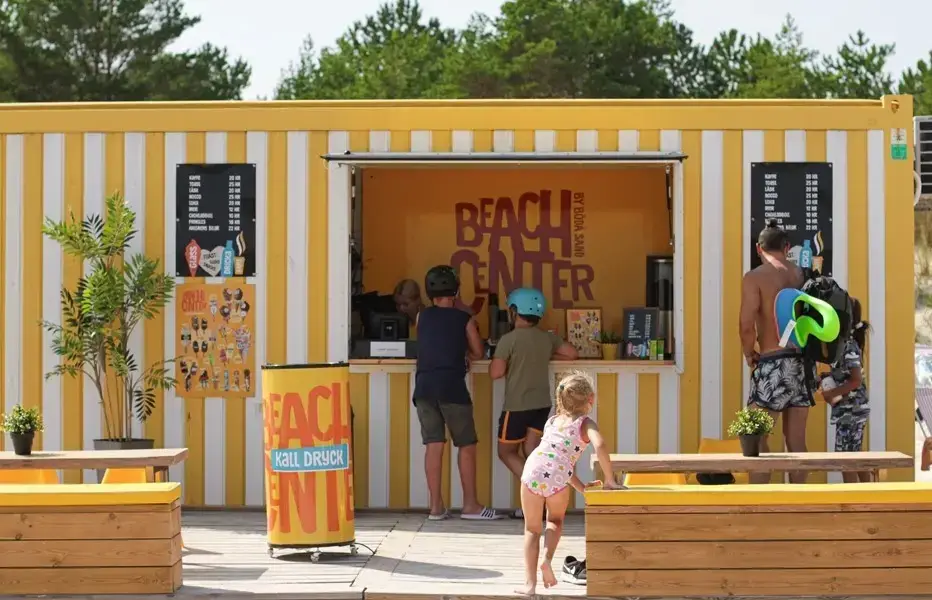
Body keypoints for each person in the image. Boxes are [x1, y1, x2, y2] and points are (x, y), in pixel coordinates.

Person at [517, 371, 621, 596]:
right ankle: (547, 559)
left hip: (532, 469)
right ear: (590, 399)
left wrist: (582, 488)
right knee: (554, 521)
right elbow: (598, 446)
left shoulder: (552, 421)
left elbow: (556, 460)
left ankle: (529, 585)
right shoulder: (585, 423)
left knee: (531, 529)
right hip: (557, 478)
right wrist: (610, 480)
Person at [413, 265, 503, 521]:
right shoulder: (465, 319)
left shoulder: (421, 317)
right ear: (456, 290)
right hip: (451, 387)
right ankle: (471, 506)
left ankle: (435, 507)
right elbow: (478, 352)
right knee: (466, 444)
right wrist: (465, 354)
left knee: (433, 444)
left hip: (424, 387)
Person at [489, 287, 578, 519]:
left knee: (506, 452)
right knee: (532, 452)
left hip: (517, 405)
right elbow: (571, 353)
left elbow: (495, 373)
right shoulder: (546, 337)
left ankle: (537, 494)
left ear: (514, 311)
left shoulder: (508, 339)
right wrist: (544, 356)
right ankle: (543, 503)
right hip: (541, 404)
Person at [739, 220, 815, 484]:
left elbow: (746, 324)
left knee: (755, 438)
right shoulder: (802, 275)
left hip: (773, 362)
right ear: (787, 247)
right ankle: (797, 501)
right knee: (796, 442)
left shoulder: (755, 277)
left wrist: (749, 353)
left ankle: (760, 502)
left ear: (759, 249)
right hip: (802, 364)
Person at [820, 298, 871, 482]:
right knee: (854, 456)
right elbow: (845, 374)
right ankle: (869, 494)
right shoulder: (843, 344)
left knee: (846, 459)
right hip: (850, 411)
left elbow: (856, 380)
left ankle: (854, 497)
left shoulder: (848, 346)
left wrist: (831, 393)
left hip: (852, 411)